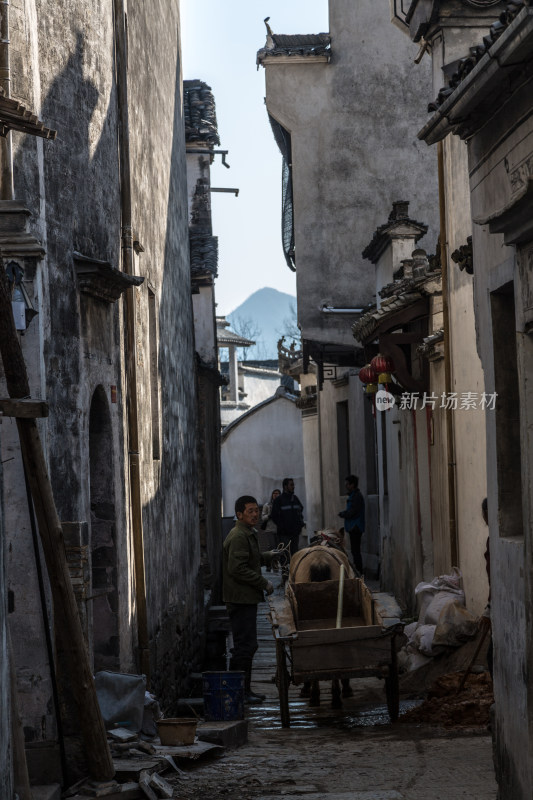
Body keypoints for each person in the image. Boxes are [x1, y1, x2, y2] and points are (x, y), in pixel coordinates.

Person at [223, 495, 274, 704]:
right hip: (240, 599)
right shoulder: (238, 536)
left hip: (246, 598)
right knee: (245, 646)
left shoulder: (247, 533)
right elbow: (238, 569)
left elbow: (250, 559)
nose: (255, 514)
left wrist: (269, 555)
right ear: (239, 514)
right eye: (250, 511)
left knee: (247, 645)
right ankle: (238, 693)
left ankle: (243, 691)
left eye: (257, 510)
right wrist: (264, 583)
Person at [338, 475, 365, 574]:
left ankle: (359, 571)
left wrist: (343, 514)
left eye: (347, 484)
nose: (346, 486)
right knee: (354, 551)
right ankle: (357, 571)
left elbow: (353, 511)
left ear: (352, 485)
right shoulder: (353, 496)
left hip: (356, 527)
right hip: (353, 527)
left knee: (356, 551)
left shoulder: (356, 497)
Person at [271, 478, 304, 556]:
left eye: (293, 485)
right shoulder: (279, 500)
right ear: (285, 486)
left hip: (295, 534)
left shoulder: (295, 499)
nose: (293, 487)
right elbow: (274, 516)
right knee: (285, 555)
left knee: (295, 555)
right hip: (284, 535)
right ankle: (285, 568)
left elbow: (300, 510)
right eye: (291, 485)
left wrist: (299, 525)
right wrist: (283, 527)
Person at [260, 489, 281, 571]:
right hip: (269, 529)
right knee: (273, 547)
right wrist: (269, 515)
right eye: (274, 493)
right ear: (272, 495)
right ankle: (272, 564)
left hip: (279, 530)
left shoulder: (281, 505)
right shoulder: (267, 505)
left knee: (277, 547)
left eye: (278, 493)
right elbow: (263, 517)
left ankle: (271, 563)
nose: (276, 495)